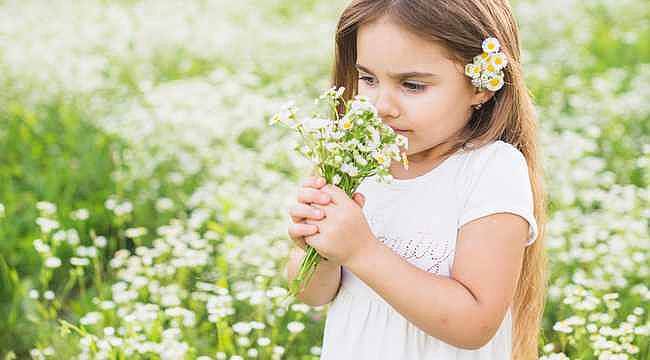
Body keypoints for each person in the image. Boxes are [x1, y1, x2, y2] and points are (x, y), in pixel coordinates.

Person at [286, 0, 547, 358]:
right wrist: (317, 248)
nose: (382, 106)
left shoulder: (490, 171)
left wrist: (362, 251)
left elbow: (475, 325)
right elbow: (312, 294)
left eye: (411, 85)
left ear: (481, 87)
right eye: (368, 79)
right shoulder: (353, 162)